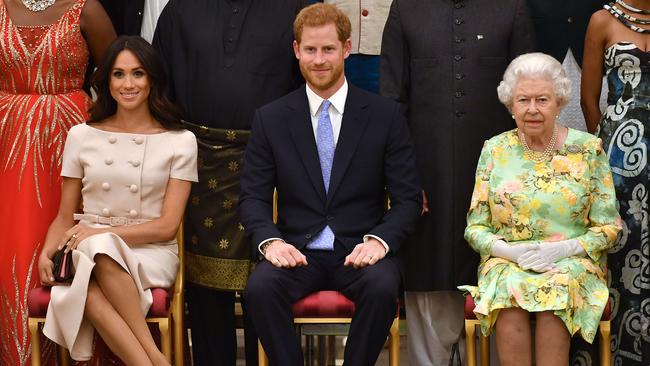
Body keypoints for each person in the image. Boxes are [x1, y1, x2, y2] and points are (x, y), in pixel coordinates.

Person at [239, 3, 421, 365]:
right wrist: (271, 241)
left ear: (346, 49)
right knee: (259, 288)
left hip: (360, 249)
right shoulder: (271, 118)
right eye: (310, 50)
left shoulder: (384, 116)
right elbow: (252, 198)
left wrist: (380, 241)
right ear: (296, 51)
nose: (319, 59)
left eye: (328, 49)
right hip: (297, 251)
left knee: (383, 286)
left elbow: (408, 199)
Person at [379, 0, 535, 363]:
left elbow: (527, 100)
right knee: (427, 273)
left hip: (498, 179)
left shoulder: (510, 8)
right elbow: (391, 101)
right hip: (424, 174)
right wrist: (402, 181)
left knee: (496, 277)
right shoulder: (407, 8)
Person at [152, 1, 306, 364]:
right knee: (205, 291)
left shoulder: (296, 9)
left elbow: (310, 87)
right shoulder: (180, 10)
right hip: (199, 165)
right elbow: (159, 88)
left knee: (269, 281)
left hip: (273, 165)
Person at [37, 35, 197, 365]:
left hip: (150, 252)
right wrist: (46, 251)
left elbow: (168, 226)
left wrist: (97, 236)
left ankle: (151, 358)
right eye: (118, 74)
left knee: (96, 258)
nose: (128, 84)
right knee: (87, 283)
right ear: (106, 79)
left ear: (152, 79)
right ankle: (153, 360)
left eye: (138, 73)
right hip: (87, 248)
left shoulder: (181, 141)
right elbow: (65, 216)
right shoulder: (81, 135)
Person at [459, 52, 621, 366]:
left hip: (571, 262)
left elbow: (609, 228)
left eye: (542, 99)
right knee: (509, 289)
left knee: (555, 290)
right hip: (508, 262)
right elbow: (475, 227)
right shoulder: (495, 149)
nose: (532, 109)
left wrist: (564, 248)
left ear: (559, 102)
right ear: (510, 104)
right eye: (523, 100)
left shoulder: (588, 149)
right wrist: (510, 253)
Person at [0, 0, 115, 364]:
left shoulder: (86, 8)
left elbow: (117, 68)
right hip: (8, 139)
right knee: (12, 248)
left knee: (70, 245)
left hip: (71, 140)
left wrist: (87, 112)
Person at [582, 1, 650, 364]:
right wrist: (604, 152)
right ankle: (618, 353)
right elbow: (589, 99)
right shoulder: (602, 21)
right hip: (620, 160)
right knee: (620, 244)